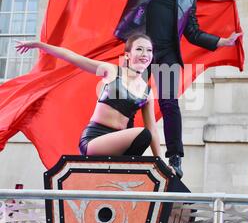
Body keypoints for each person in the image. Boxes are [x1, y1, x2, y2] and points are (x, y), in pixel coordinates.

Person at [90, 0, 242, 178]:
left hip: (167, 55)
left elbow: (192, 33)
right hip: (141, 51)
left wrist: (221, 41)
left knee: (170, 104)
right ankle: (123, 150)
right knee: (128, 101)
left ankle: (175, 158)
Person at [15, 34, 168, 165]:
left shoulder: (147, 93)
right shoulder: (112, 71)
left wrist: (160, 161)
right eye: (139, 49)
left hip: (120, 143)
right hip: (95, 140)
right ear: (127, 55)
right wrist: (38, 44)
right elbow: (73, 57)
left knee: (145, 136)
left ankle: (123, 173)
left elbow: (153, 129)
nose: (145, 54)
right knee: (143, 135)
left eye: (149, 50)